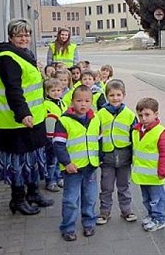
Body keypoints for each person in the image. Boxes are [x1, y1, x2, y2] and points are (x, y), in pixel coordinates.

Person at [0, 18, 54, 216]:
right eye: (19, 35)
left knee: (33, 158)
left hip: (34, 119)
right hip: (16, 123)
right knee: (18, 163)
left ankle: (33, 193)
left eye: (27, 34)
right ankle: (17, 200)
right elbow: (13, 90)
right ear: (11, 37)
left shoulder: (25, 55)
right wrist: (23, 114)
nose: (24, 38)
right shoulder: (7, 58)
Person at [53, 85, 101, 242]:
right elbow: (58, 145)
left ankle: (88, 223)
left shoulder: (95, 119)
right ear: (72, 102)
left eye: (87, 101)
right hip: (72, 169)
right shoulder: (64, 121)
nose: (83, 104)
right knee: (71, 200)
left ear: (91, 102)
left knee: (90, 198)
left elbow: (99, 140)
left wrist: (100, 157)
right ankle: (68, 228)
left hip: (90, 166)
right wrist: (66, 163)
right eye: (79, 100)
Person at [96, 79, 138, 225]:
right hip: (107, 158)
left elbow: (135, 138)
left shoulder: (130, 115)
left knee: (124, 186)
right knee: (106, 187)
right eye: (112, 95)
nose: (115, 98)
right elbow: (96, 136)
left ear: (124, 95)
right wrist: (98, 156)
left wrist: (134, 157)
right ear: (107, 96)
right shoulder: (100, 114)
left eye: (118, 95)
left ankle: (126, 210)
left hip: (124, 157)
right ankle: (104, 212)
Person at [132, 97, 165, 232]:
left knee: (157, 199)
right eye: (140, 115)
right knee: (146, 198)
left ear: (156, 114)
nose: (144, 118)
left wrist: (162, 172)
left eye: (147, 114)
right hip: (143, 175)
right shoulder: (136, 131)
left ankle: (159, 219)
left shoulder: (161, 133)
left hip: (155, 175)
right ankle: (151, 215)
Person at [44, 78, 66, 192]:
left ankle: (59, 178)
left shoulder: (62, 102)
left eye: (58, 90)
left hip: (61, 135)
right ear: (47, 92)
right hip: (50, 137)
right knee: (51, 160)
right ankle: (50, 180)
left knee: (59, 159)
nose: (56, 92)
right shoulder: (46, 104)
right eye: (53, 90)